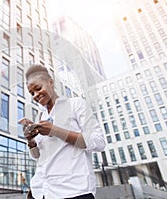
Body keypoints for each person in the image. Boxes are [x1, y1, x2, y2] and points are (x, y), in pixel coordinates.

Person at [23, 65, 106, 199]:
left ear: (50, 82)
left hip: (73, 191)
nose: (35, 95)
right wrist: (31, 141)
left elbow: (99, 142)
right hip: (42, 191)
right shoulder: (40, 117)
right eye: (31, 93)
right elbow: (39, 157)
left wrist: (55, 130)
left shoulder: (76, 104)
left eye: (38, 88)